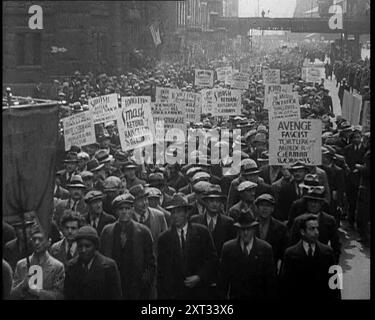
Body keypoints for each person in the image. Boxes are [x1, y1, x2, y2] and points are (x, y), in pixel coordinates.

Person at [157, 193, 218, 299]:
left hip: (200, 291)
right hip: (175, 293)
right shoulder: (164, 238)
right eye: (173, 212)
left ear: (186, 213)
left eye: (179, 212)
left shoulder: (202, 232)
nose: (175, 216)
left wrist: (199, 276)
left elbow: (212, 259)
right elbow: (162, 271)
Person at [100, 193, 156, 299]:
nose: (124, 212)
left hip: (136, 287)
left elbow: (150, 263)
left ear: (132, 210)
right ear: (116, 211)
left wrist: (145, 282)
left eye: (127, 208)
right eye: (121, 209)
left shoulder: (143, 231)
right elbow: (102, 259)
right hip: (113, 286)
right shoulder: (107, 231)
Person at [218, 210, 277, 299]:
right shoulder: (228, 248)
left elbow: (270, 283)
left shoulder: (265, 249)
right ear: (238, 230)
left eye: (248, 229)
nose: (245, 233)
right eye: (242, 229)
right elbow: (223, 281)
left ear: (254, 229)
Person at [281, 214, 340, 300]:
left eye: (317, 228)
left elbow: (335, 283)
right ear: (302, 231)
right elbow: (285, 284)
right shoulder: (290, 254)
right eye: (312, 229)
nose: (316, 232)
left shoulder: (327, 252)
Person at [64, 226, 122, 300]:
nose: (83, 250)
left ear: (95, 246)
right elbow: (68, 295)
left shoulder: (108, 266)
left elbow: (116, 296)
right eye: (80, 246)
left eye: (87, 246)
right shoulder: (71, 266)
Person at [11, 223, 65, 300]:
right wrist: (22, 285)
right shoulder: (21, 264)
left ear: (49, 241)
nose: (37, 243)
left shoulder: (57, 266)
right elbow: (11, 295)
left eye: (40, 239)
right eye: (34, 239)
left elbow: (59, 296)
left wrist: (38, 292)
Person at [290, 187, 341, 263]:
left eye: (316, 202)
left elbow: (336, 245)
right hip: (301, 262)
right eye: (311, 201)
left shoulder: (329, 221)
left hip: (322, 261)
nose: (313, 205)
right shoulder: (298, 221)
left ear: (321, 204)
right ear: (307, 203)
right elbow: (292, 243)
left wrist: (333, 264)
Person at [254, 194, 289, 273]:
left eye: (268, 206)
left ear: (272, 209)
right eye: (262, 205)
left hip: (272, 270)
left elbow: (284, 252)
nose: (265, 208)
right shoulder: (251, 226)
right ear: (257, 208)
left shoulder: (281, 228)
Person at [129, 184, 168, 254]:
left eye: (145, 199)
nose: (144, 203)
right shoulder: (128, 217)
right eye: (140, 200)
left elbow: (166, 241)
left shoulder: (159, 216)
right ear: (133, 203)